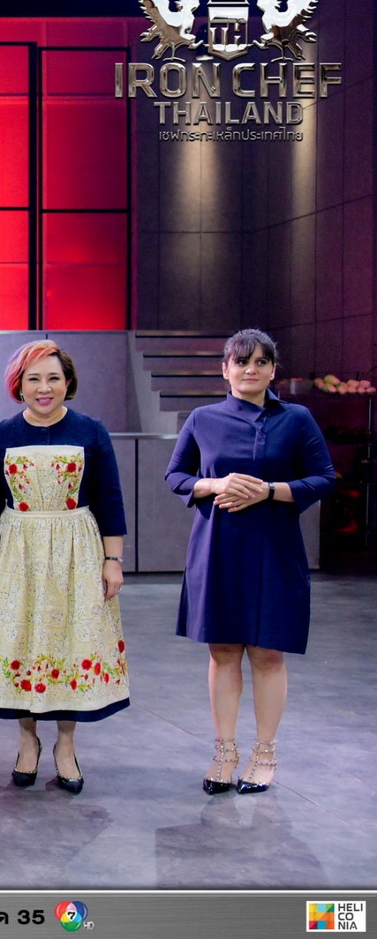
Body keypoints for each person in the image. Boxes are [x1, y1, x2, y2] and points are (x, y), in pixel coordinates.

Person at [165, 328, 334, 795]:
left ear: (273, 370)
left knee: (267, 652)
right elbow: (176, 476)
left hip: (274, 549)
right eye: (241, 362)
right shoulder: (202, 419)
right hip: (218, 548)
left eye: (261, 362)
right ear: (225, 370)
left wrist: (271, 491)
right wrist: (215, 484)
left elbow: (323, 477)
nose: (250, 369)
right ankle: (224, 752)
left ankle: (265, 754)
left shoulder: (297, 419)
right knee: (222, 652)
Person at [0, 341, 129, 794]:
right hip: (17, 552)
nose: (44, 387)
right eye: (33, 379)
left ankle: (66, 746)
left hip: (77, 551)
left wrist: (113, 561)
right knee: (22, 640)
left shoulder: (91, 431)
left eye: (53, 378)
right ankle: (27, 741)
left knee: (71, 641)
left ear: (68, 382)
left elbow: (111, 500)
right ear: (19, 385)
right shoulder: (2, 434)